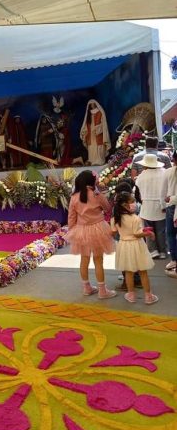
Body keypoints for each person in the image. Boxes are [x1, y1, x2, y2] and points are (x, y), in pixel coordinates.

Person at [67, 170, 116, 299]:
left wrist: (72, 232)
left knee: (84, 260)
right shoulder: (97, 195)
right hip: (99, 229)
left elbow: (71, 217)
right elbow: (107, 208)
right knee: (98, 261)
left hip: (82, 230)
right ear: (92, 181)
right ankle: (102, 290)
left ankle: (86, 287)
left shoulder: (74, 197)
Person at [111, 191, 158, 304]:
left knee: (129, 271)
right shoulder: (135, 218)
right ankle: (148, 296)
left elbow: (113, 232)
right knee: (143, 271)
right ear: (125, 204)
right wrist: (148, 233)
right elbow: (137, 234)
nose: (134, 203)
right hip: (137, 245)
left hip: (124, 245)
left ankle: (131, 295)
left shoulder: (115, 219)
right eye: (132, 201)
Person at [135, 153, 166, 259]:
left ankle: (153, 251)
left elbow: (137, 193)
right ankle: (163, 251)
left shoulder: (142, 176)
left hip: (147, 205)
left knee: (148, 229)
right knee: (161, 229)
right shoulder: (164, 173)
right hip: (161, 204)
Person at [79, 99, 111, 165]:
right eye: (91, 104)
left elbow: (103, 123)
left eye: (93, 104)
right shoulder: (88, 114)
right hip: (90, 134)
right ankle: (92, 161)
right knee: (92, 148)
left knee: (99, 146)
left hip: (98, 132)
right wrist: (84, 131)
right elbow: (85, 124)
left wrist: (98, 128)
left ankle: (100, 161)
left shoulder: (100, 112)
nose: (92, 105)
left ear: (96, 104)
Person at [161, 150, 177, 277]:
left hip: (171, 206)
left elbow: (163, 192)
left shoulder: (168, 172)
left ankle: (174, 260)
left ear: (174, 160)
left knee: (171, 234)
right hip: (172, 204)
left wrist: (165, 203)